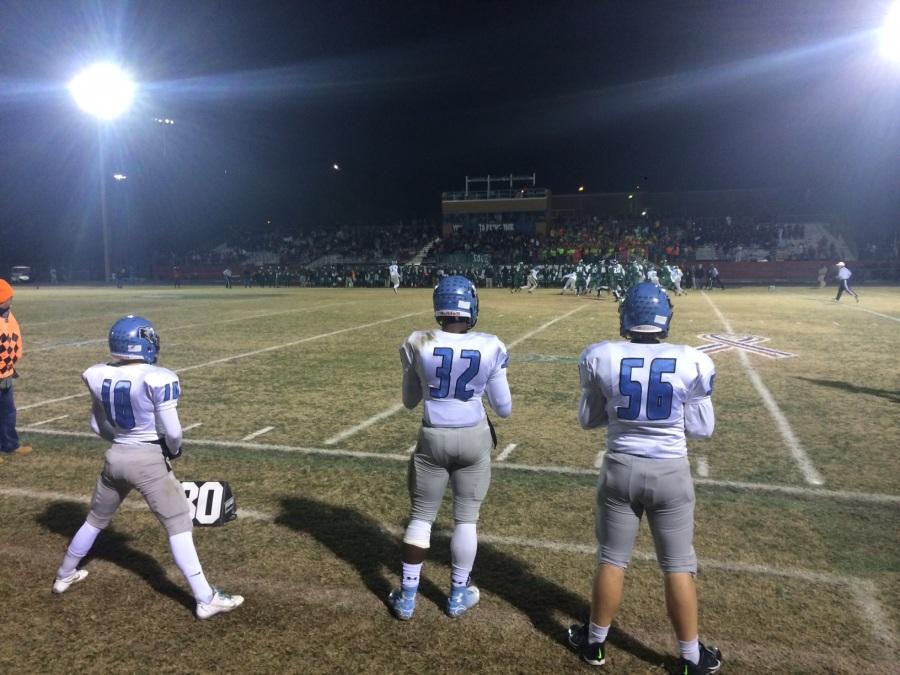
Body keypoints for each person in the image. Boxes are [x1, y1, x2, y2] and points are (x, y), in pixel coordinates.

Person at [569, 281, 722, 674]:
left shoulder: (601, 355)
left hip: (620, 469)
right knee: (678, 565)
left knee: (612, 559)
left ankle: (596, 644)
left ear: (626, 317)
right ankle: (690, 658)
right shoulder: (693, 359)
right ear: (665, 318)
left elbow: (589, 419)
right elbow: (702, 429)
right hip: (671, 472)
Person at [51, 315, 244, 619]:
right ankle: (206, 598)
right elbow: (174, 431)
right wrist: (173, 450)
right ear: (141, 341)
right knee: (179, 523)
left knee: (95, 520)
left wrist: (124, 441)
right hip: (148, 460)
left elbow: (96, 425)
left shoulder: (97, 374)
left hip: (116, 458)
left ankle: (63, 575)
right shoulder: (158, 377)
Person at [389, 275, 512, 620]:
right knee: (466, 520)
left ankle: (408, 596)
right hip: (473, 437)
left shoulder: (417, 341)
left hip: (433, 436)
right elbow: (504, 408)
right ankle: (458, 594)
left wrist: (412, 372)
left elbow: (410, 401)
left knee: (421, 518)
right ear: (470, 306)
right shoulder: (490, 345)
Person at [0, 279, 32, 463]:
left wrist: (10, 365)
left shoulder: (8, 316)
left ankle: (10, 444)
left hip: (6, 372)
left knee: (8, 412)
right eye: (7, 297)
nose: (10, 300)